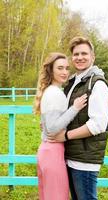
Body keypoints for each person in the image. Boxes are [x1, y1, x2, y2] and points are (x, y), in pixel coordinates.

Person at [47, 37, 108, 200]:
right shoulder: (73, 82)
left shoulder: (97, 84)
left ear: (93, 57)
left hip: (85, 160)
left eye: (84, 53)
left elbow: (98, 125)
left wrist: (66, 135)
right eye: (76, 54)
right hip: (70, 156)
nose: (80, 57)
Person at [34, 52, 88, 200]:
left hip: (48, 150)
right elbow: (52, 128)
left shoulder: (52, 91)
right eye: (60, 68)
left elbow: (48, 124)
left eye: (66, 68)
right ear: (51, 70)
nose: (65, 72)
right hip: (52, 151)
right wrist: (75, 108)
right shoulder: (54, 93)